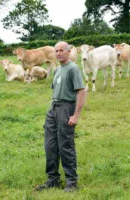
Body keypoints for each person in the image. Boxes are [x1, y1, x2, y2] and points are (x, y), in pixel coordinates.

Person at [36, 41, 86, 192]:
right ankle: (53, 180)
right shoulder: (57, 70)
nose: (58, 53)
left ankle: (72, 182)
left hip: (66, 108)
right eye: (56, 51)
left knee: (66, 145)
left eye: (61, 50)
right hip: (54, 108)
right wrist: (51, 110)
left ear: (68, 51)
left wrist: (75, 116)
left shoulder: (73, 68)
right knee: (50, 145)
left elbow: (81, 92)